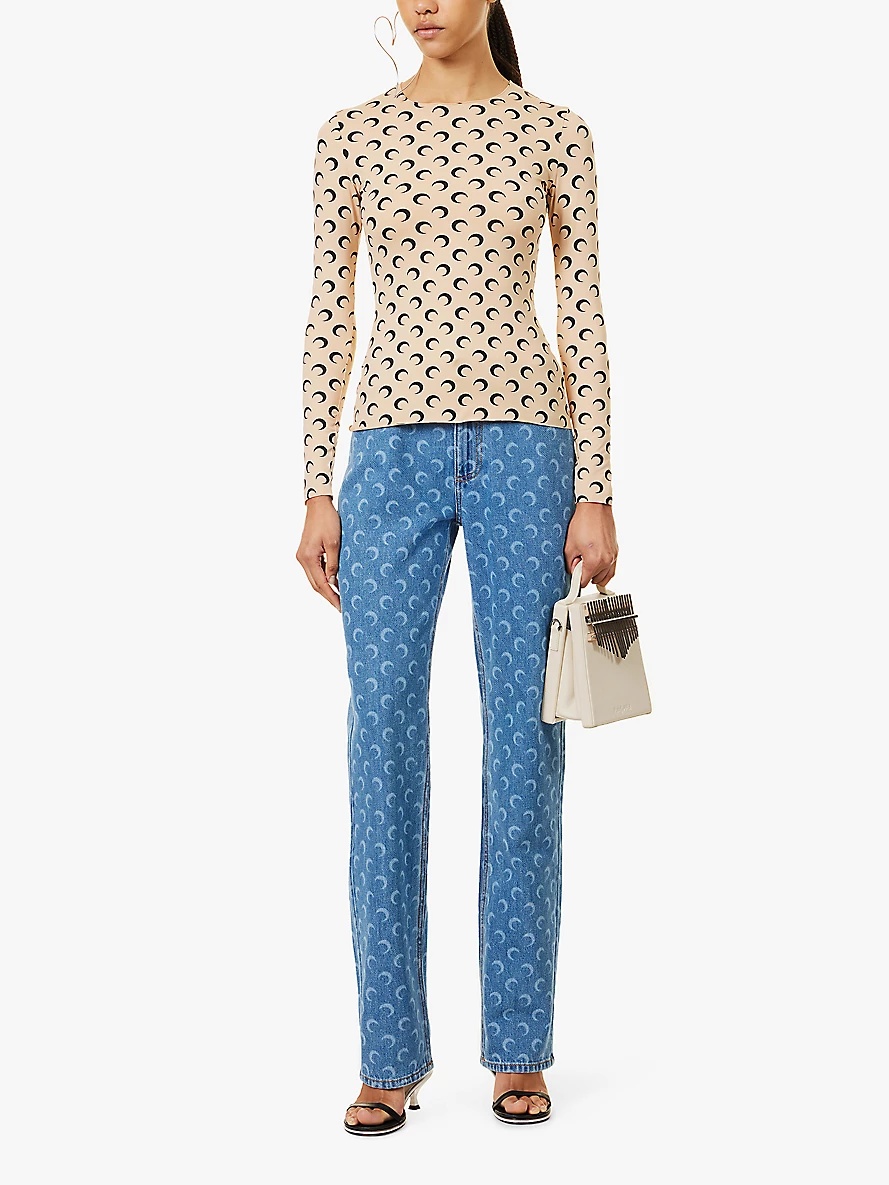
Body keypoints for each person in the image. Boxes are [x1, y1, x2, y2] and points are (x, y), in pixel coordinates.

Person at [296, 0, 619, 1134]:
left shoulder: (555, 131)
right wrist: (316, 483)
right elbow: (330, 315)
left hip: (529, 453)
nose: (422, 3)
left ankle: (518, 1046)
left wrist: (596, 485)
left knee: (523, 742)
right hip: (387, 458)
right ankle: (388, 1054)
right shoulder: (351, 134)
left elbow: (582, 314)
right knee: (381, 735)